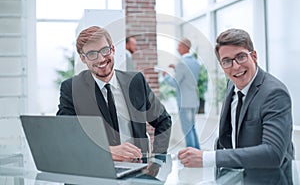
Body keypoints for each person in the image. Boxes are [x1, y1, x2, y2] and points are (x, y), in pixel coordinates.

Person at [178, 28, 294, 169]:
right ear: (222, 65)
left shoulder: (274, 93)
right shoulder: (232, 84)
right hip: (238, 176)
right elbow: (229, 134)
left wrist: (208, 158)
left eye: (241, 57)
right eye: (227, 61)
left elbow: (273, 154)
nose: (236, 66)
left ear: (254, 56)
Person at [57, 26, 172, 162]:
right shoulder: (71, 88)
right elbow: (65, 136)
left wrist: (157, 161)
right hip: (96, 172)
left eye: (104, 51)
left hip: (137, 172)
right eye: (92, 54)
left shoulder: (136, 82)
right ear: (83, 58)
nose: (101, 59)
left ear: (112, 49)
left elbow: (163, 121)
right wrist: (107, 152)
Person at [163, 38, 200, 149]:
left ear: (185, 47)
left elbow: (175, 83)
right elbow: (188, 76)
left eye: (179, 46)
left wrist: (166, 76)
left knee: (187, 128)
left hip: (185, 102)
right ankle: (197, 151)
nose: (177, 48)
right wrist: (176, 68)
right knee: (192, 127)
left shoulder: (182, 63)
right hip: (194, 100)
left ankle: (191, 153)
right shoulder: (195, 62)